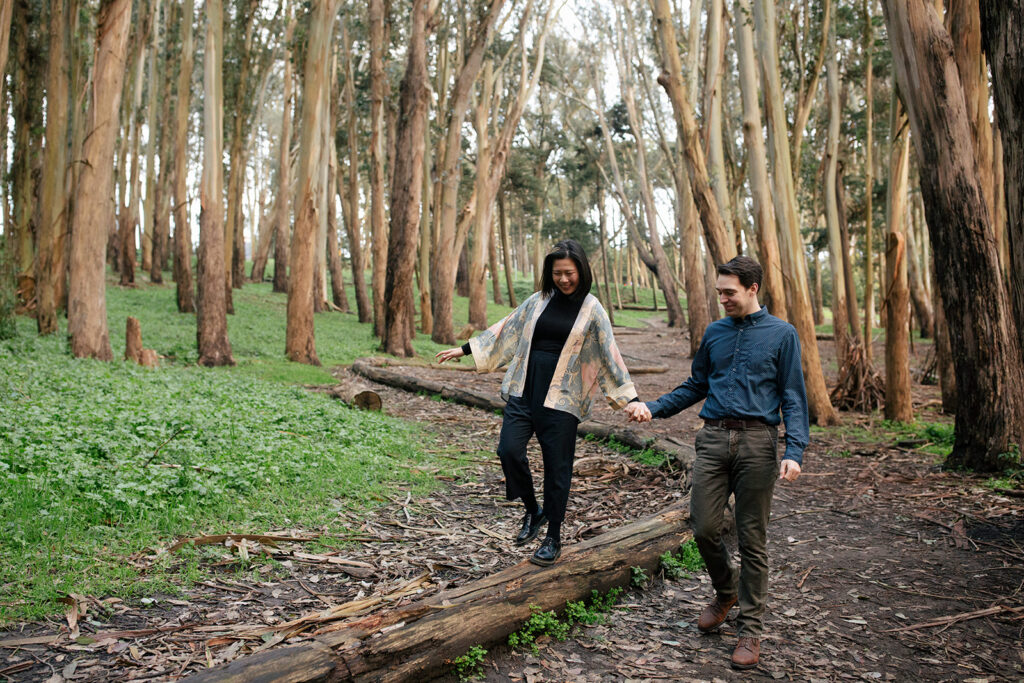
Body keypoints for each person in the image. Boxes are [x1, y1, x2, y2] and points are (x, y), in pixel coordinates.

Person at [625, 255, 808, 671]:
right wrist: (653, 408)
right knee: (704, 527)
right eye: (719, 291)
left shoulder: (783, 335)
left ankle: (750, 629)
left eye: (729, 292)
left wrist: (794, 451)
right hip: (712, 439)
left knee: (752, 538)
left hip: (758, 443)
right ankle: (726, 592)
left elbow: (794, 396)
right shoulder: (715, 332)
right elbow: (696, 385)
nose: (722, 298)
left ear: (752, 289)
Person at [436, 239, 638, 567]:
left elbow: (608, 352)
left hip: (563, 398)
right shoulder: (538, 301)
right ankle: (533, 510)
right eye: (557, 273)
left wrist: (630, 399)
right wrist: (465, 349)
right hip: (524, 389)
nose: (563, 279)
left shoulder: (592, 309)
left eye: (569, 273)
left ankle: (553, 536)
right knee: (508, 451)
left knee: (557, 468)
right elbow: (507, 329)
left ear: (581, 271)